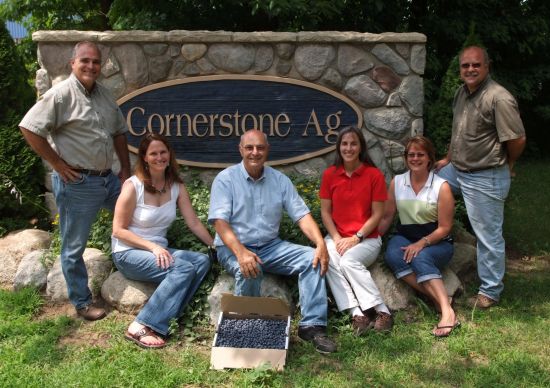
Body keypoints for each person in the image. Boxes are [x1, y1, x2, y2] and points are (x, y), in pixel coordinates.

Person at [19, 41, 131, 321]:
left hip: (109, 181)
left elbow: (119, 133)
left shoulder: (105, 95)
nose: (91, 66)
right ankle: (82, 303)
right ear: (73, 63)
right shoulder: (60, 95)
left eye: (95, 61)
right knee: (74, 247)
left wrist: (126, 170)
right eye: (85, 60)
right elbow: (29, 128)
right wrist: (57, 164)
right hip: (78, 184)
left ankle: (134, 272)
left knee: (137, 216)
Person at [208, 129, 337, 354]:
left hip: (271, 246)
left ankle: (312, 326)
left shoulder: (280, 180)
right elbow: (220, 222)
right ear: (240, 150)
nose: (255, 152)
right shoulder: (226, 179)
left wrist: (320, 243)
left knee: (311, 258)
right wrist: (241, 252)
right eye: (249, 148)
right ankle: (246, 329)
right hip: (233, 247)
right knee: (250, 267)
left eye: (260, 147)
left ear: (267, 150)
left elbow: (302, 215)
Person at [434, 45, 526, 309]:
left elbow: (518, 138)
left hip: (485, 176)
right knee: (426, 183)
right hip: (458, 170)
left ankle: (490, 291)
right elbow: (458, 131)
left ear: (487, 66)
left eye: (476, 65)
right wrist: (448, 159)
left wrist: (508, 164)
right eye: (465, 65)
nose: (470, 69)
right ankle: (439, 245)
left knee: (488, 236)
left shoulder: (499, 97)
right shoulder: (461, 93)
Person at [111, 133, 213, 348]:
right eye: (153, 153)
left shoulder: (176, 186)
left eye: (163, 152)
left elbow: (193, 222)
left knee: (201, 261)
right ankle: (140, 325)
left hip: (158, 251)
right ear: (145, 158)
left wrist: (215, 245)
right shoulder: (133, 186)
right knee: (183, 269)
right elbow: (118, 230)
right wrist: (153, 247)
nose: (159, 157)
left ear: (169, 154)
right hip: (128, 252)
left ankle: (169, 317)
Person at [379, 136, 457, 337]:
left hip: (437, 242)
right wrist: (369, 238)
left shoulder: (442, 186)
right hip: (405, 237)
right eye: (411, 155)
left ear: (429, 158)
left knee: (421, 257)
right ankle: (440, 299)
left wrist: (422, 243)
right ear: (406, 158)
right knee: (393, 255)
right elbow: (388, 216)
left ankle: (448, 314)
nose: (415, 158)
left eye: (420, 154)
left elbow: (445, 228)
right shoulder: (398, 182)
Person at [319, 126, 393, 336]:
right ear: (339, 147)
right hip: (337, 236)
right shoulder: (330, 175)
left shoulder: (373, 175)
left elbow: (377, 214)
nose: (348, 148)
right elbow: (325, 212)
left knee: (349, 261)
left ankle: (382, 311)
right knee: (328, 257)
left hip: (367, 238)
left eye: (353, 143)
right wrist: (335, 238)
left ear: (361, 147)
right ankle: (357, 313)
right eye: (344, 143)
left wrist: (356, 237)